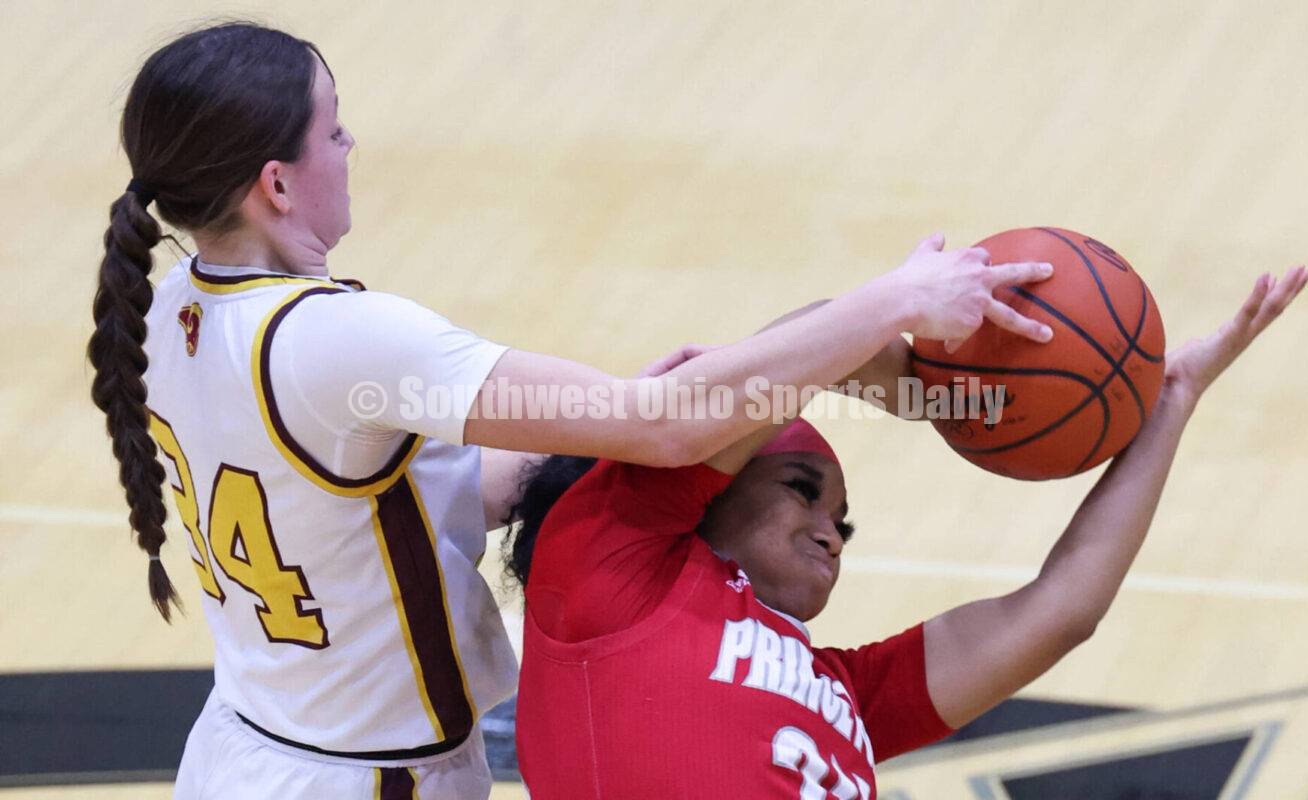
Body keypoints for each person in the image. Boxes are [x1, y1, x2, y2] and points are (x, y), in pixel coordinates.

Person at [87, 21, 1056, 800]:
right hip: (365, 777)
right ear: (276, 184)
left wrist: (608, 419)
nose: (351, 146)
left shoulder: (170, 307)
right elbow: (666, 425)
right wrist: (895, 301)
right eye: (333, 130)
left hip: (244, 752)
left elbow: (388, 496)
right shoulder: (340, 340)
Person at [507, 268, 1308, 797]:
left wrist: (1170, 402)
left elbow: (1062, 609)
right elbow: (814, 340)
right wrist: (943, 394)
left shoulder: (842, 692)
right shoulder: (607, 560)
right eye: (801, 491)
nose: (830, 534)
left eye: (842, 523)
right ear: (705, 488)